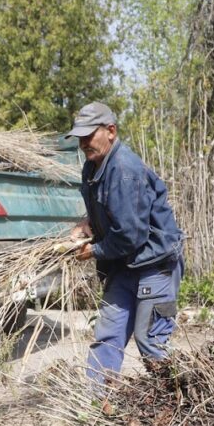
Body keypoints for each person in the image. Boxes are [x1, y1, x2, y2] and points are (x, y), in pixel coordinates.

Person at [65, 101, 184, 385]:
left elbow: (131, 234)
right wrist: (87, 223)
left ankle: (175, 413)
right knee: (107, 337)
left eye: (88, 135)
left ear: (111, 131)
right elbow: (112, 212)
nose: (83, 143)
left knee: (151, 342)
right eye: (79, 137)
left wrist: (93, 250)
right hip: (124, 265)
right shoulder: (93, 167)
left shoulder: (124, 169)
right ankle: (96, 411)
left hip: (155, 266)